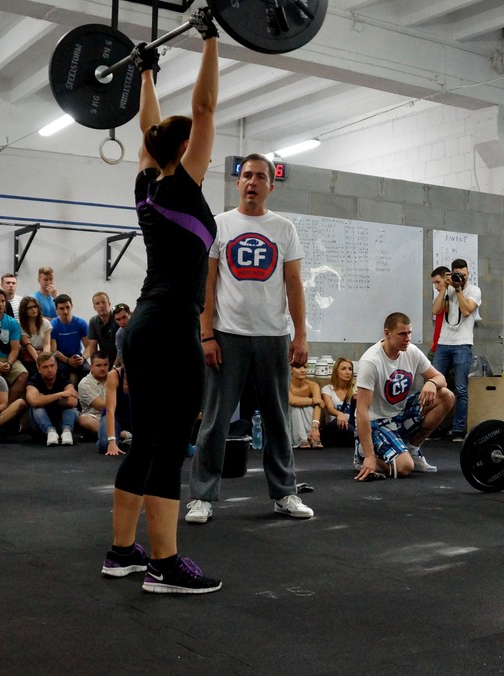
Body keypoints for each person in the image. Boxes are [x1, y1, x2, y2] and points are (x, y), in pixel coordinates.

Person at [102, 11, 222, 594]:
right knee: (170, 446)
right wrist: (211, 39)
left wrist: (146, 72)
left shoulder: (147, 186)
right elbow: (203, 111)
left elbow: (150, 131)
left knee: (145, 442)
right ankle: (165, 565)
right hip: (171, 326)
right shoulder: (181, 184)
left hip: (143, 324)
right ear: (184, 149)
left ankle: (122, 552)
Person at [185, 151, 313, 525]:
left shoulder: (284, 229)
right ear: (237, 182)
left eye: (261, 177)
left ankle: (284, 493)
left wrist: (300, 335)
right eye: (247, 176)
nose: (253, 182)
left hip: (273, 336)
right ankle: (203, 496)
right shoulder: (219, 225)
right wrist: (206, 334)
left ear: (271, 186)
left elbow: (293, 284)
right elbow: (206, 283)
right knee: (215, 419)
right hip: (228, 336)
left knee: (277, 419)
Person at [354, 312, 454, 480]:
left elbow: (440, 378)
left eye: (409, 333)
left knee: (446, 395)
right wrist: (371, 457)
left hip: (399, 414)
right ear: (387, 333)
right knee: (405, 468)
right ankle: (363, 454)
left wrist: (432, 383)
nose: (407, 338)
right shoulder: (371, 362)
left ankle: (413, 448)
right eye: (402, 334)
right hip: (377, 422)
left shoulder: (412, 351)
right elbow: (362, 410)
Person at [430, 258, 482, 442]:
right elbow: (435, 310)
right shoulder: (447, 289)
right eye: (457, 274)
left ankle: (458, 429)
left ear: (468, 273)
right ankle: (433, 426)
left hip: (463, 343)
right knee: (435, 385)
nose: (461, 277)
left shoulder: (474, 290)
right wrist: (445, 287)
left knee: (461, 388)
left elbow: (467, 310)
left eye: (464, 274)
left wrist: (459, 289)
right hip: (444, 343)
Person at [26, 352, 79, 446]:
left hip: (60, 422)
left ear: (56, 366)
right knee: (37, 407)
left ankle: (67, 432)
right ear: (39, 369)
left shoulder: (63, 379)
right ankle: (50, 432)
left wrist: (44, 399)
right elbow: (34, 401)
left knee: (71, 408)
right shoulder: (33, 381)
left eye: (52, 366)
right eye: (45, 367)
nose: (50, 370)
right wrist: (61, 394)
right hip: (39, 423)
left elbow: (73, 401)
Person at [50, 294, 91, 381]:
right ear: (56, 310)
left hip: (77, 356)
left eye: (67, 307)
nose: (65, 311)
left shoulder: (81, 323)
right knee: (60, 371)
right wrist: (67, 360)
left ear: (71, 306)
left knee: (87, 370)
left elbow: (89, 346)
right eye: (61, 308)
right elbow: (53, 349)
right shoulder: (53, 325)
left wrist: (83, 358)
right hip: (61, 358)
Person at [320, 357, 356, 447]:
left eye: (350, 369)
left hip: (351, 424)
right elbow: (329, 408)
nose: (347, 372)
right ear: (336, 372)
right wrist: (339, 414)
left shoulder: (355, 389)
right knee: (339, 422)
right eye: (343, 369)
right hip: (335, 425)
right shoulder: (327, 389)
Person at [288, 364, 324, 449]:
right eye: (298, 367)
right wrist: (313, 400)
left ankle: (312, 437)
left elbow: (318, 406)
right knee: (295, 408)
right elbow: (292, 401)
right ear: (290, 370)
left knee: (308, 407)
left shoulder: (313, 385)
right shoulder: (286, 384)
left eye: (305, 367)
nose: (302, 370)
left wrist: (315, 426)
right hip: (289, 416)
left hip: (312, 423)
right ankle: (301, 439)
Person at [103, 363, 134, 458]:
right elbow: (110, 410)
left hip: (134, 416)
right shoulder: (114, 375)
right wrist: (111, 441)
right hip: (117, 416)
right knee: (104, 444)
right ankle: (124, 437)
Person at [17, 296, 52, 374]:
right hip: (29, 356)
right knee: (34, 371)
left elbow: (47, 344)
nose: (33, 309)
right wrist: (38, 361)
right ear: (24, 310)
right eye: (29, 308)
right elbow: (28, 345)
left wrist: (44, 358)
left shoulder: (45, 323)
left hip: (43, 353)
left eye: (35, 306)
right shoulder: (21, 325)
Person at [87, 292, 119, 364]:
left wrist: (115, 366)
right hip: (105, 362)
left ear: (109, 304)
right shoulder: (93, 322)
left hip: (123, 358)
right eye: (97, 303)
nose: (101, 306)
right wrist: (93, 366)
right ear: (94, 307)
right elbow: (93, 348)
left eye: (103, 302)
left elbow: (123, 346)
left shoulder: (118, 318)